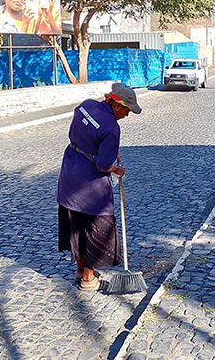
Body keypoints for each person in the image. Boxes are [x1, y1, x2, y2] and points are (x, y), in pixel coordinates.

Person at [57, 82, 142, 291]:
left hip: (69, 174)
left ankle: (80, 270)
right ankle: (87, 278)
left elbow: (78, 134)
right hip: (90, 186)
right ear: (116, 104)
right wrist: (116, 170)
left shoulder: (85, 106)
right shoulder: (112, 129)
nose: (127, 115)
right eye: (127, 110)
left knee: (76, 223)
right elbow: (103, 164)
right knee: (96, 228)